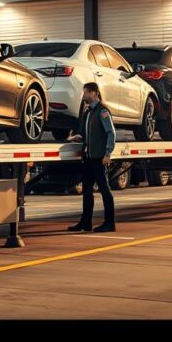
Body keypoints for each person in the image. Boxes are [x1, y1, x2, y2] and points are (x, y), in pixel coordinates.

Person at [67, 82, 116, 232]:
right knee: (86, 190)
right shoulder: (89, 112)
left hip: (99, 157)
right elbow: (88, 134)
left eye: (86, 92)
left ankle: (109, 223)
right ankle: (85, 222)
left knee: (104, 190)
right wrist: (78, 137)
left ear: (94, 93)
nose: (84, 95)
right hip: (89, 157)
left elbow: (111, 133)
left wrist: (107, 153)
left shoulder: (102, 111)